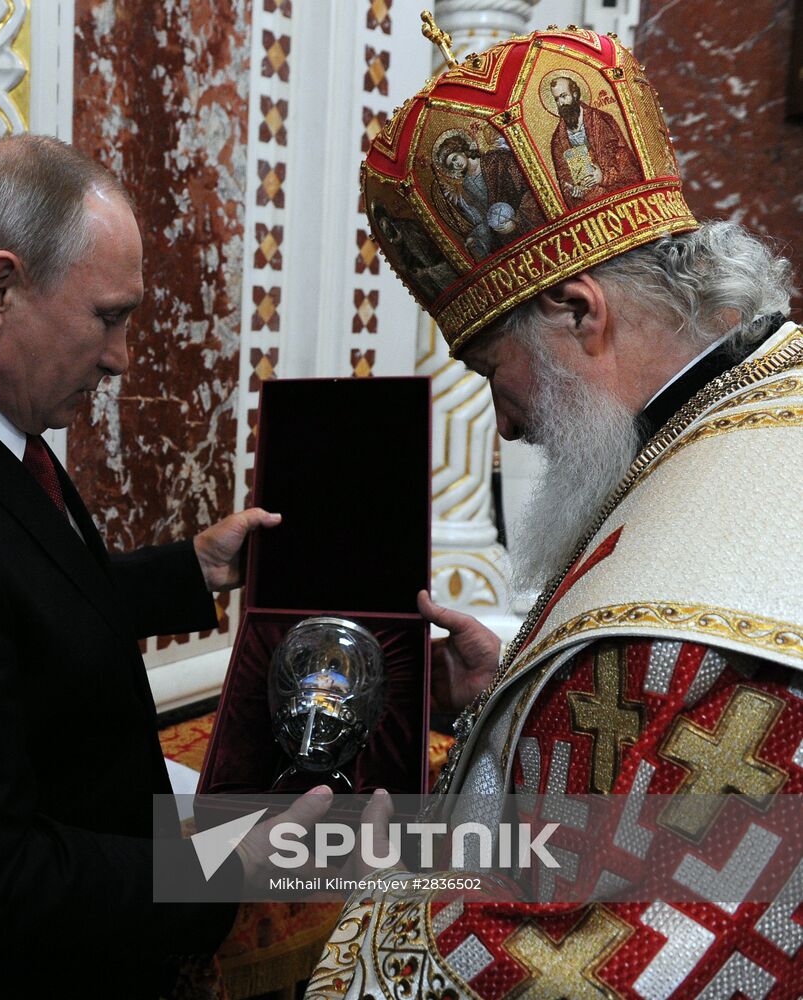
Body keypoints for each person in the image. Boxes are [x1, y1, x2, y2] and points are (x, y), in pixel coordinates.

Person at [315, 21, 803, 996]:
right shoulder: (740, 405)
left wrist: (257, 862)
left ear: (581, 312)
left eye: (492, 369)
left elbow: (607, 947)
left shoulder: (731, 588)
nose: (501, 423)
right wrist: (519, 693)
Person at [0, 134, 335, 1000]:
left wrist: (190, 569)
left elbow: (19, 598)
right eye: (108, 317)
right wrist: (228, 864)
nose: (121, 356)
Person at [432, 131, 545, 259]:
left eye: (454, 158)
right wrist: (476, 238)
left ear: (461, 151)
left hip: (527, 217)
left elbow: (526, 186)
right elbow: (483, 217)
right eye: (451, 165)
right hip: (502, 231)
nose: (456, 164)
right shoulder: (466, 185)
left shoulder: (496, 159)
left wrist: (517, 219)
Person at [549, 75, 643, 207]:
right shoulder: (558, 139)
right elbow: (563, 173)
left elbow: (623, 155)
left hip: (619, 191)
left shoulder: (601, 119)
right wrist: (573, 188)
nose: (561, 103)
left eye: (564, 96)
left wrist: (603, 176)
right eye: (557, 99)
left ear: (575, 94)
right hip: (591, 200)